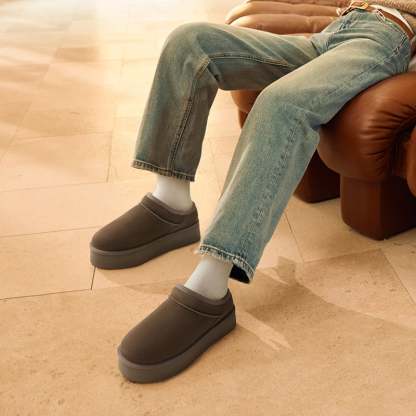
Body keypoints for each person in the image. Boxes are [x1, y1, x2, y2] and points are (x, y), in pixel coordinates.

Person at [90, 1, 416, 383]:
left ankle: (210, 287)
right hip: (339, 27)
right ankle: (170, 204)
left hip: (388, 37)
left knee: (281, 104)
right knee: (189, 44)